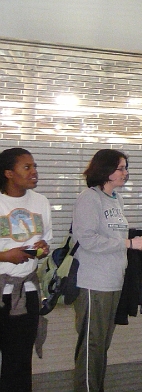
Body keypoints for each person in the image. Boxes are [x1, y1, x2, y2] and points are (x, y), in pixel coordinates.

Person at [72, 149, 142, 392]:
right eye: (121, 168)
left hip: (114, 280)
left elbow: (114, 235)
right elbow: (86, 238)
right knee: (92, 344)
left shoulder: (116, 199)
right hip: (93, 282)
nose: (125, 173)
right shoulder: (89, 198)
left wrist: (133, 240)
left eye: (126, 168)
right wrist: (128, 243)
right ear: (105, 170)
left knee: (102, 343)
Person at [0, 148, 51, 392]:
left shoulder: (40, 202)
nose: (34, 172)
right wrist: (5, 256)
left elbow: (46, 240)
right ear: (8, 173)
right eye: (27, 167)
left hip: (27, 290)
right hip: (1, 287)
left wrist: (42, 247)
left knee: (20, 360)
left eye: (34, 166)